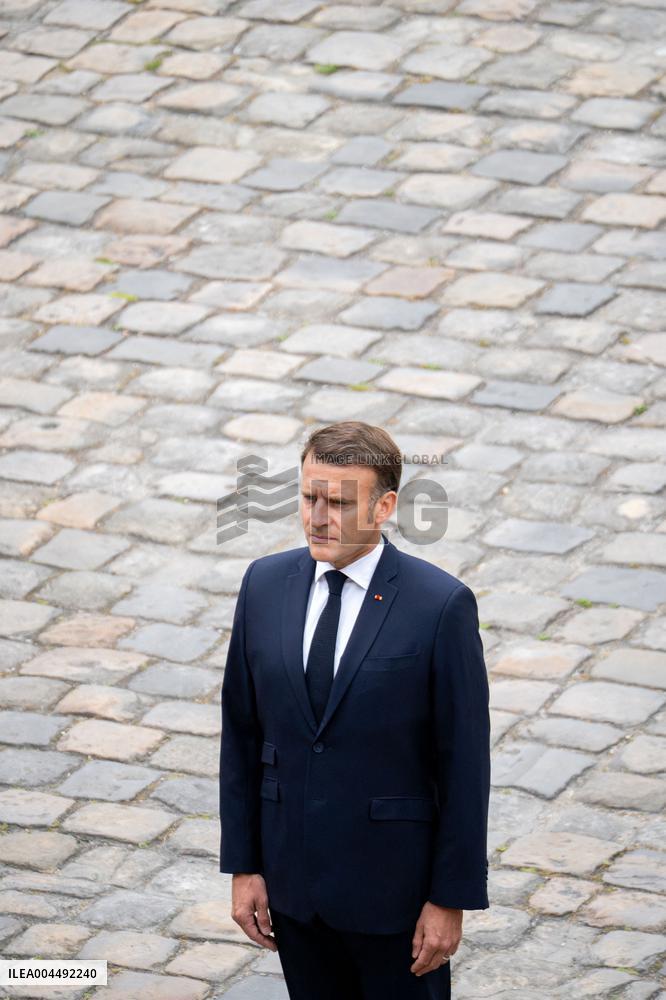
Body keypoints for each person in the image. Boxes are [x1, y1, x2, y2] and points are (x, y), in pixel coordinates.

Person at [219, 420, 490, 999]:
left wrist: (449, 899)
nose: (317, 517)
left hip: (396, 901)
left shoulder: (440, 607)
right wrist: (244, 866)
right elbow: (241, 736)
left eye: (338, 503)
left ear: (385, 505)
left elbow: (464, 767)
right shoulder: (263, 584)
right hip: (293, 893)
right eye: (308, 496)